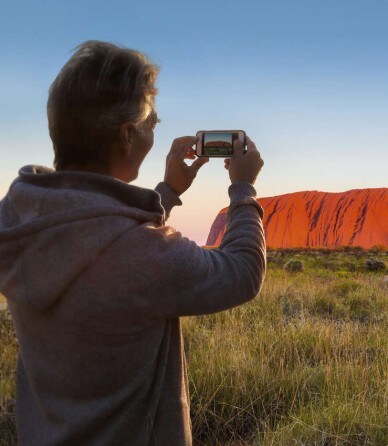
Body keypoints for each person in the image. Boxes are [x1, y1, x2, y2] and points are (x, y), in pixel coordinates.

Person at [0, 40, 266, 445]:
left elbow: (97, 229)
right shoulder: (142, 253)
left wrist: (167, 193)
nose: (154, 130)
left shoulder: (21, 219)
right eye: (150, 122)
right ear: (127, 135)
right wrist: (243, 188)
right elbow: (242, 273)